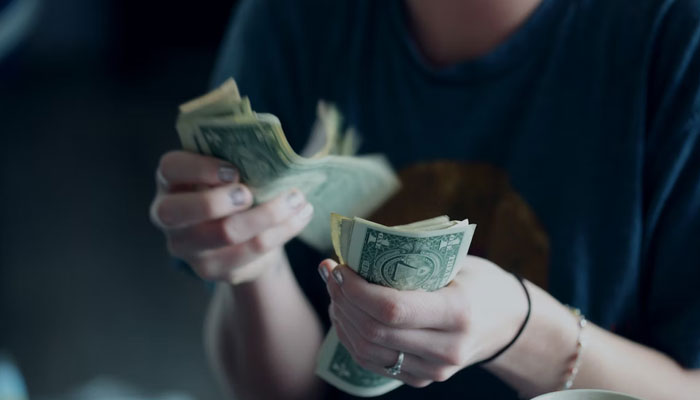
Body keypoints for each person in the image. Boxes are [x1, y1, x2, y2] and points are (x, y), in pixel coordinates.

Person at [149, 0, 700, 398]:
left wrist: (521, 331)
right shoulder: (294, 16)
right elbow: (281, 392)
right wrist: (252, 266)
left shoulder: (676, 37)